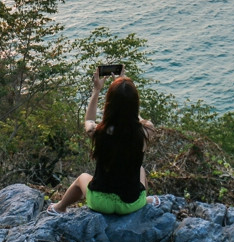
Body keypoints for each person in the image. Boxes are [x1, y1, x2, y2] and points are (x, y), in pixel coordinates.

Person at [48, 69, 159, 215]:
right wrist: (125, 92)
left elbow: (89, 120)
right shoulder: (146, 130)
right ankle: (145, 201)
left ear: (109, 103)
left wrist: (97, 90)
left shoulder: (98, 131)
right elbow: (136, 118)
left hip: (100, 203)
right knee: (140, 170)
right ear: (135, 103)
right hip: (131, 204)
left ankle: (59, 207)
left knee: (82, 178)